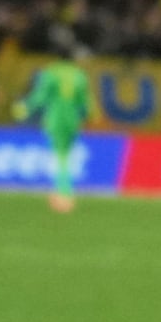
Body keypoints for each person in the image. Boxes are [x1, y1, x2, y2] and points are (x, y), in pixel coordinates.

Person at [14, 54, 97, 213]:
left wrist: (25, 107)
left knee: (60, 157)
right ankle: (65, 192)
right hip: (73, 120)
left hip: (56, 119)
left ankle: (64, 194)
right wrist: (92, 116)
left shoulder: (51, 73)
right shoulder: (79, 75)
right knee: (66, 155)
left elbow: (41, 96)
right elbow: (85, 100)